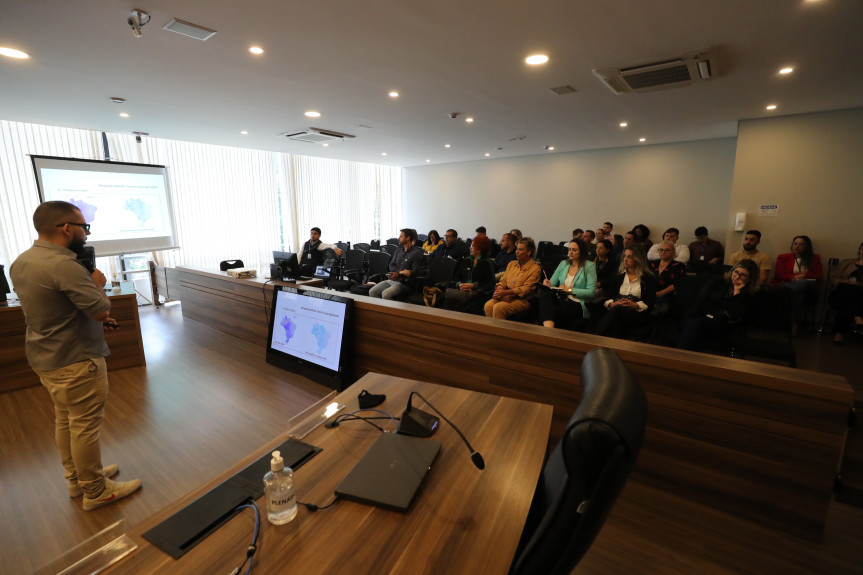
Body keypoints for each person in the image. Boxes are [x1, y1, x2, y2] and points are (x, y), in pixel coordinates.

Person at [9, 201, 142, 510]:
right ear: (67, 228)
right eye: (84, 226)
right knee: (85, 424)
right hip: (76, 359)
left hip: (47, 357)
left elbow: (52, 307)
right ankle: (96, 490)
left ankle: (77, 478)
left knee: (66, 419)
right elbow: (100, 310)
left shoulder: (22, 261)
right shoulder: (65, 265)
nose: (86, 233)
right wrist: (98, 285)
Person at [677, 260, 760, 351]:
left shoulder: (748, 294)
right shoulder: (718, 281)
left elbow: (733, 315)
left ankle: (680, 356)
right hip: (699, 314)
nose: (737, 277)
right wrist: (722, 312)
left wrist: (736, 293)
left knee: (697, 325)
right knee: (693, 325)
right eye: (736, 272)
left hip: (721, 324)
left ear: (749, 279)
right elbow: (702, 301)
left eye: (743, 275)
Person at [595, 246, 657, 338]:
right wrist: (612, 304)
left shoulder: (649, 278)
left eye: (629, 257)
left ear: (638, 259)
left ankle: (595, 337)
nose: (625, 259)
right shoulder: (618, 276)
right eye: (625, 256)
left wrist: (635, 305)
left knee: (618, 310)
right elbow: (608, 296)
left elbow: (650, 302)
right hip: (617, 310)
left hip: (637, 314)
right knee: (617, 321)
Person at [537, 239, 596, 329]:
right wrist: (547, 283)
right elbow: (551, 284)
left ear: (582, 251)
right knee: (544, 292)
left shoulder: (589, 266)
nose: (570, 252)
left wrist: (568, 290)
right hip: (561, 298)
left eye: (574, 250)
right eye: (569, 250)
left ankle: (547, 331)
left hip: (577, 303)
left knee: (545, 311)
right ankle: (549, 330)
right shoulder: (564, 264)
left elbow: (591, 292)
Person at [484, 237, 541, 320]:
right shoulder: (511, 264)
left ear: (529, 252)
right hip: (505, 295)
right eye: (517, 249)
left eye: (520, 250)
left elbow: (526, 289)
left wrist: (507, 293)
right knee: (488, 305)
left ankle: (501, 332)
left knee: (499, 307)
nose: (517, 252)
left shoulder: (535, 268)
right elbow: (503, 280)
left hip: (522, 300)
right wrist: (499, 290)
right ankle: (491, 332)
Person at [771, 235, 823, 327]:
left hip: (809, 289)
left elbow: (819, 276)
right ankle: (793, 325)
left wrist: (804, 275)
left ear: (807, 247)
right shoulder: (783, 257)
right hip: (791, 286)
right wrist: (794, 278)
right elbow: (779, 275)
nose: (797, 246)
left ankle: (785, 291)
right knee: (798, 294)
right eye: (795, 243)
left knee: (803, 282)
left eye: (801, 244)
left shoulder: (815, 258)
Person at [445, 235, 496, 315]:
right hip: (462, 291)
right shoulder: (466, 260)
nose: (470, 247)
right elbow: (457, 277)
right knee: (448, 302)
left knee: (462, 306)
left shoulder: (487, 263)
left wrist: (473, 286)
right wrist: (460, 284)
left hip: (477, 294)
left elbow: (490, 283)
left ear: (479, 248)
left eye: (472, 245)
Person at [369, 228, 424, 300]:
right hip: (393, 279)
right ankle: (381, 310)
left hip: (405, 284)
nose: (398, 238)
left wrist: (399, 275)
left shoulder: (416, 253)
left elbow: (415, 272)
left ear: (408, 238)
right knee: (372, 291)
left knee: (386, 294)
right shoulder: (398, 251)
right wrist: (399, 272)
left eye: (401, 236)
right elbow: (391, 265)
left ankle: (389, 311)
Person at [831, 241, 863, 344]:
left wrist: (859, 284)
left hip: (860, 296)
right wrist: (845, 282)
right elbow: (834, 278)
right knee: (847, 289)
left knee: (848, 295)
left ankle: (839, 334)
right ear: (860, 250)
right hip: (841, 292)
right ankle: (857, 316)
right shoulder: (847, 262)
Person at [650, 240, 688, 314]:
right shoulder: (652, 264)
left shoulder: (679, 265)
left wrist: (661, 293)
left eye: (667, 250)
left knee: (656, 312)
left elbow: (677, 283)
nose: (663, 252)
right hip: (650, 293)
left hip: (667, 295)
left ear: (673, 252)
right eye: (661, 250)